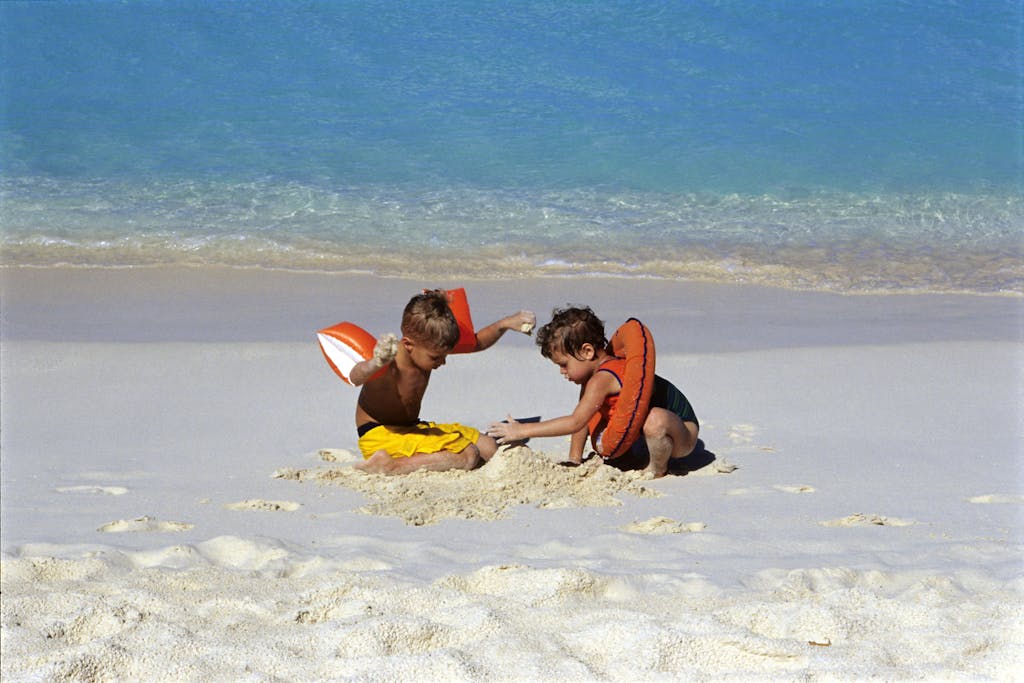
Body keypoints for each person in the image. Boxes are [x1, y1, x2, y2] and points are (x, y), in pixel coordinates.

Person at [487, 306, 699, 478]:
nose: (562, 372)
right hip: (649, 434)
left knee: (655, 419)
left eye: (563, 364)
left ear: (587, 351)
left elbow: (575, 421)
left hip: (682, 432)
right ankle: (640, 455)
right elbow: (584, 416)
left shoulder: (602, 379)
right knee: (622, 423)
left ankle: (656, 469)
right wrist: (574, 458)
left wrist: (522, 430)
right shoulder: (592, 379)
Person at [350, 289, 536, 475]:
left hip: (412, 427)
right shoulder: (390, 361)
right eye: (436, 357)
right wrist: (375, 363)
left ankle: (408, 460)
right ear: (408, 344)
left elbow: (476, 343)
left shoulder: (426, 345)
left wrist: (504, 324)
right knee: (468, 455)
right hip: (380, 434)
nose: (443, 362)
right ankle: (389, 466)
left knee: (489, 447)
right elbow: (355, 377)